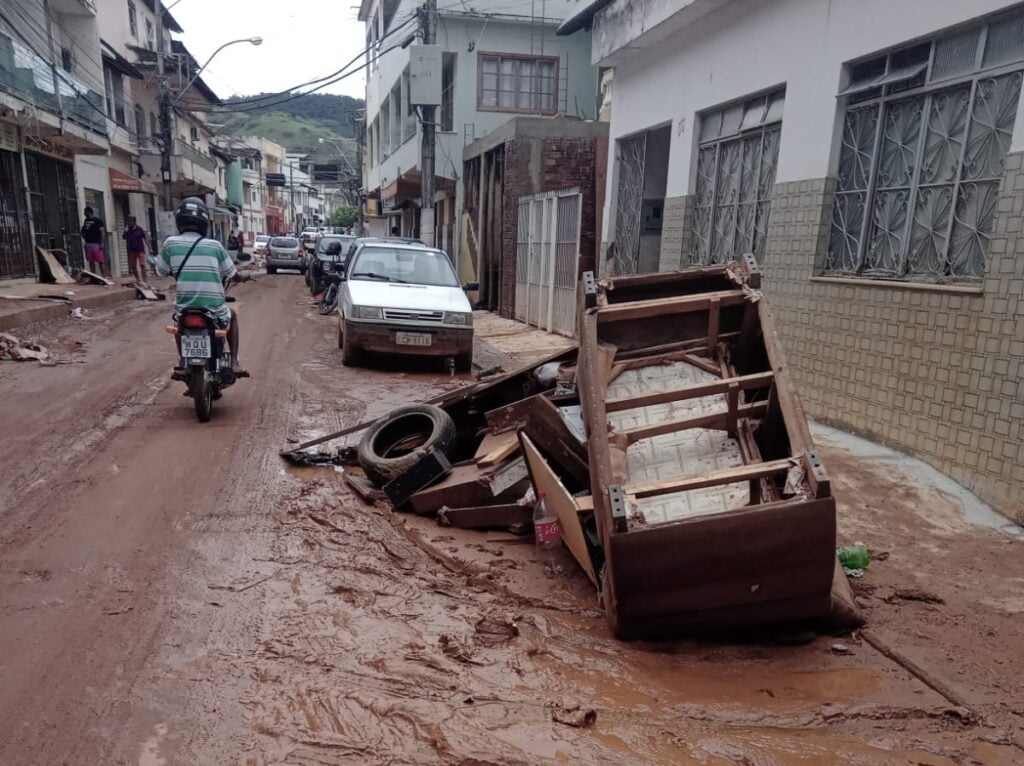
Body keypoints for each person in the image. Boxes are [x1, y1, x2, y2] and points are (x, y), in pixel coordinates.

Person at [153, 197, 249, 373]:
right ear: (204, 222)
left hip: (185, 306)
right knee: (232, 316)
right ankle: (234, 362)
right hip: (214, 308)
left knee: (179, 324)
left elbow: (159, 272)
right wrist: (243, 277)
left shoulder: (169, 244)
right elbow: (233, 275)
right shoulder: (215, 246)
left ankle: (184, 360)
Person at [123, 215, 149, 283]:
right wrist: (125, 231)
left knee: (142, 265)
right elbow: (124, 237)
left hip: (140, 249)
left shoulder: (139, 229)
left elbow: (145, 238)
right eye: (128, 221)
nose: (128, 223)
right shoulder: (128, 230)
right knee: (133, 266)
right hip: (132, 250)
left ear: (134, 222)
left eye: (130, 221)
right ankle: (138, 280)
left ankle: (145, 280)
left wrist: (149, 247)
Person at [81, 206, 106, 275]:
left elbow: (102, 232)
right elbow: (83, 230)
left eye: (85, 212)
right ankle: (94, 276)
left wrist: (102, 243)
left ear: (89, 212)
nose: (84, 214)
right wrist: (84, 236)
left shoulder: (98, 221)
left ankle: (104, 276)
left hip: (96, 244)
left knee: (101, 261)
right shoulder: (86, 221)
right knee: (91, 261)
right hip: (88, 243)